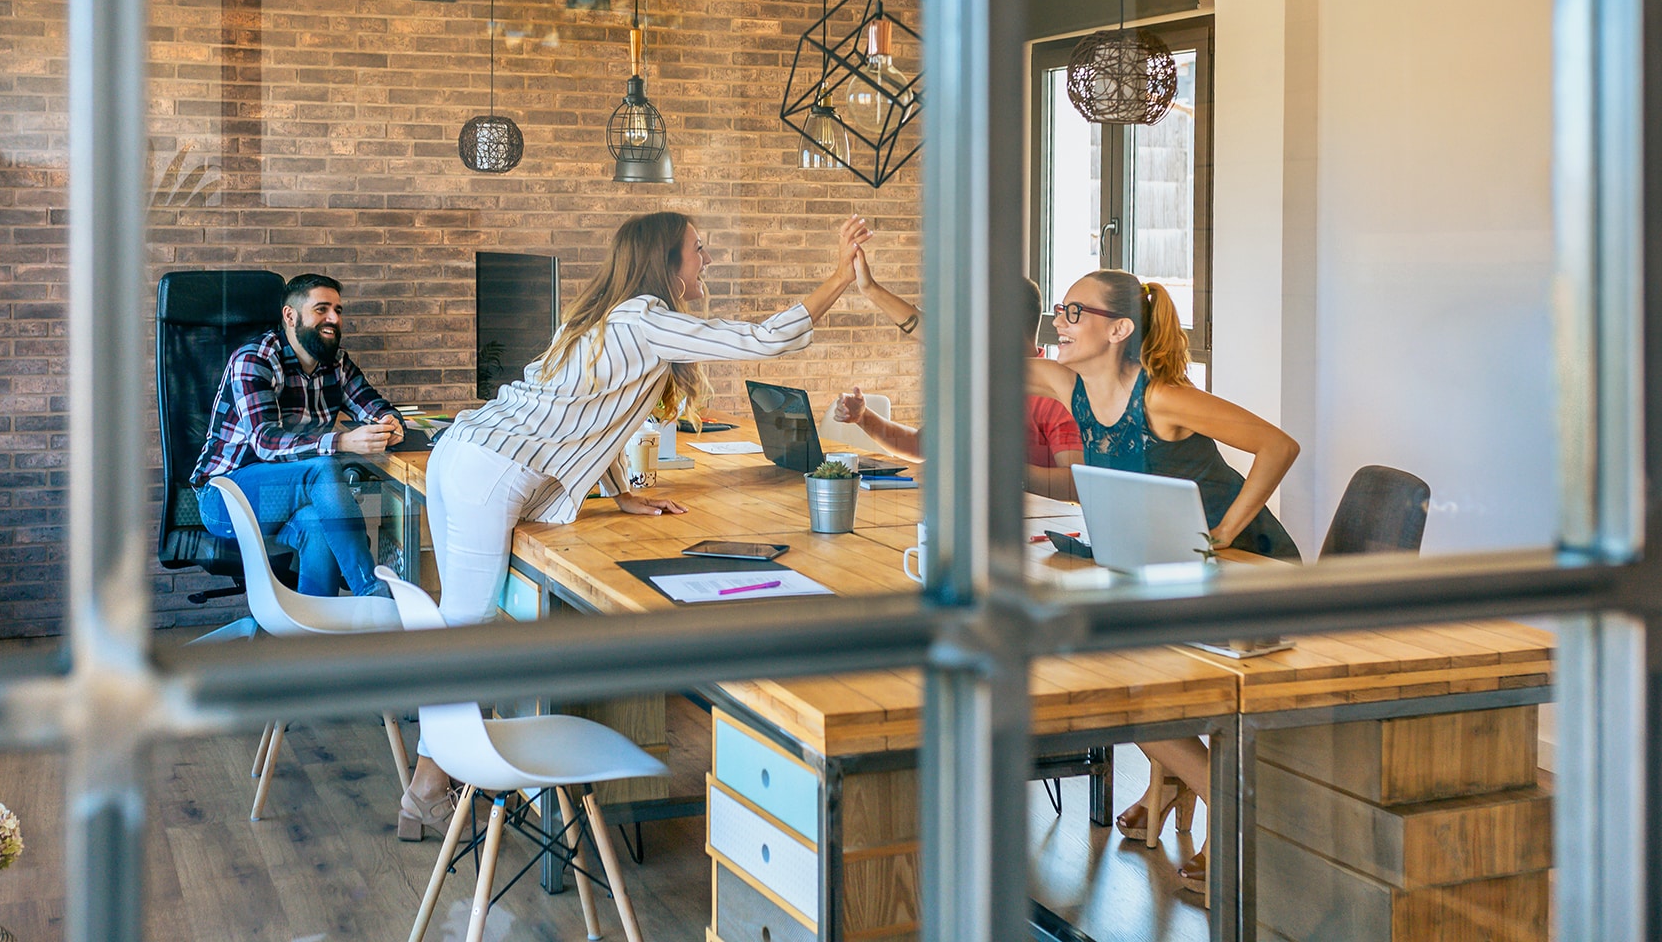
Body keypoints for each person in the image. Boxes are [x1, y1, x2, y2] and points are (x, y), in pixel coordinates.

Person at [391, 210, 873, 840]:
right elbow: (761, 340)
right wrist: (839, 277)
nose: (706, 260)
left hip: (467, 451)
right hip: (493, 468)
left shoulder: (599, 318)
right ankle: (427, 789)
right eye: (697, 249)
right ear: (664, 262)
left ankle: (432, 784)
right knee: (467, 626)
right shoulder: (643, 320)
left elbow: (591, 418)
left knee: (461, 623)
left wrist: (621, 492)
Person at [1029, 268, 1302, 892]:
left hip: (1248, 572)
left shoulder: (1163, 399)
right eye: (1061, 309)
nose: (1060, 321)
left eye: (1075, 311)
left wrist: (1226, 530)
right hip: (1169, 570)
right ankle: (1196, 784)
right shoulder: (1069, 386)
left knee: (1117, 679)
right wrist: (873, 293)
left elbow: (1278, 446)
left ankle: (1231, 812)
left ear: (1119, 329)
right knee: (1104, 671)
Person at [190, 273, 406, 600]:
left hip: (285, 499)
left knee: (319, 523)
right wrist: (342, 442)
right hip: (226, 497)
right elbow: (265, 442)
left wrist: (390, 422)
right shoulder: (255, 359)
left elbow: (373, 405)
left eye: (337, 310)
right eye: (322, 309)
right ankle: (370, 590)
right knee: (322, 468)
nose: (334, 318)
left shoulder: (336, 363)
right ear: (290, 316)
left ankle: (317, 625)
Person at [837, 261, 1083, 498]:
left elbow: (1076, 485)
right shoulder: (980, 379)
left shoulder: (1055, 395)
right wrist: (863, 417)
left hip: (1035, 520)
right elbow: (921, 445)